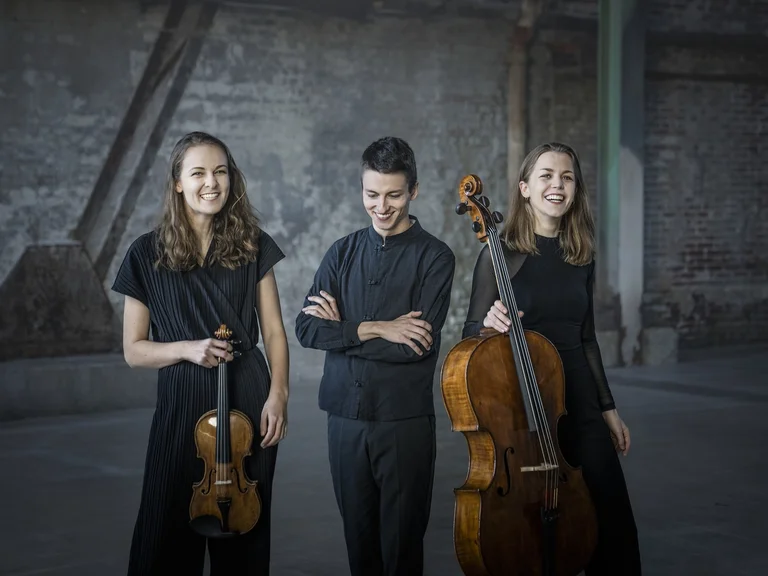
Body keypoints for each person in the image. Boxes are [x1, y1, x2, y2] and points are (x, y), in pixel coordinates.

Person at [111, 131, 289, 575]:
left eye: (221, 171)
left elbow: (273, 331)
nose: (212, 183)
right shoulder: (144, 254)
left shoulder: (252, 244)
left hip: (248, 402)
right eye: (198, 173)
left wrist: (279, 395)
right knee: (164, 539)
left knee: (243, 537)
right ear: (177, 183)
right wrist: (187, 348)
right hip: (181, 404)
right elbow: (134, 351)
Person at [462, 141, 642, 575]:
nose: (557, 185)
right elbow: (470, 336)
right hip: (525, 407)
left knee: (612, 524)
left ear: (575, 189)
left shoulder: (582, 255)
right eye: (546, 176)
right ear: (525, 188)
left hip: (579, 402)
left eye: (567, 177)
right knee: (533, 531)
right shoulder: (500, 255)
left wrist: (609, 409)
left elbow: (586, 338)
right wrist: (490, 324)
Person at [295, 136, 455, 576]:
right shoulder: (340, 252)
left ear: (414, 191)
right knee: (359, 545)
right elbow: (307, 329)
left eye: (393, 195)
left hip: (403, 423)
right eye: (371, 194)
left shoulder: (436, 257)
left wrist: (342, 330)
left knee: (402, 549)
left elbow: (414, 346)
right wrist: (379, 327)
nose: (381, 207)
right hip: (343, 419)